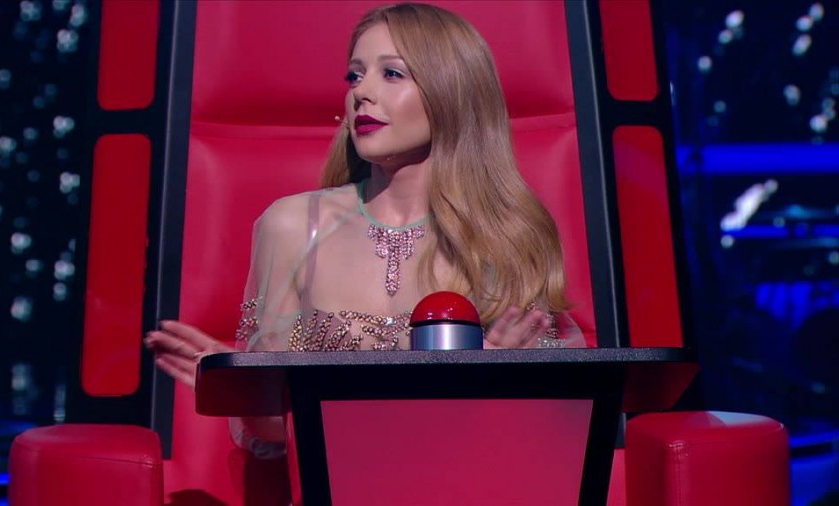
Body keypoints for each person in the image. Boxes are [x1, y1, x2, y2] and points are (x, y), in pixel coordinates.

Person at [145, 2, 585, 456]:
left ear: (451, 90)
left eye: (391, 74)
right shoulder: (292, 226)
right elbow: (275, 426)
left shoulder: (506, 235)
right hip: (333, 481)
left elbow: (556, 426)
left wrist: (495, 378)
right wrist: (237, 388)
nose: (362, 93)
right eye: (355, 77)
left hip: (470, 476)